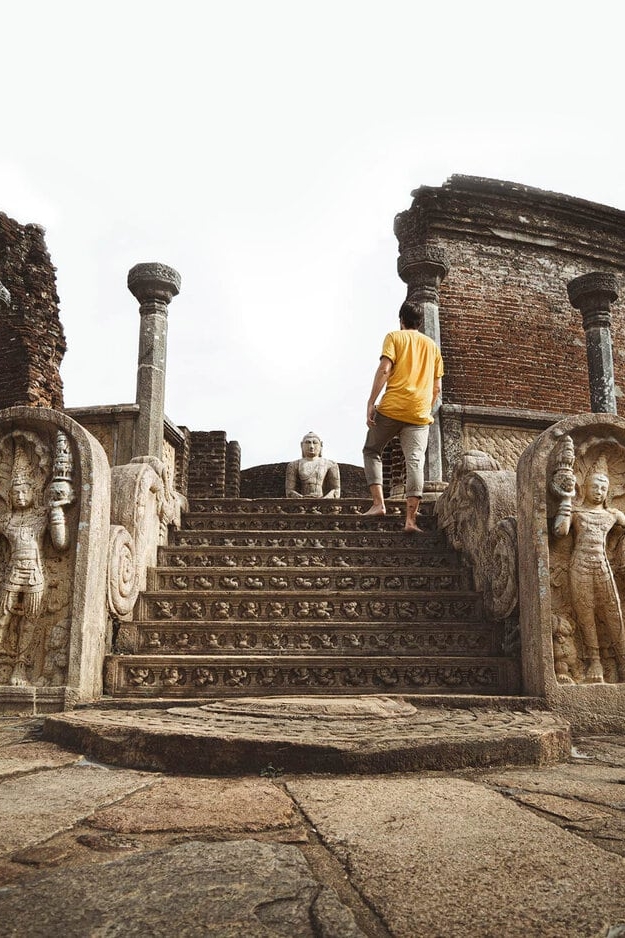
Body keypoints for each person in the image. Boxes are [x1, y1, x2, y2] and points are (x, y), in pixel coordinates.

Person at [362, 302, 444, 532]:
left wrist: (371, 401)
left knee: (372, 450)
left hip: (392, 408)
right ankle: (410, 520)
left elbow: (385, 369)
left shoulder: (394, 337)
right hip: (419, 413)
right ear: (420, 323)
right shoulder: (432, 347)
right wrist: (423, 409)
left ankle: (378, 504)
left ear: (401, 320)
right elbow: (437, 388)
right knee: (415, 462)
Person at [553, 458, 625, 684]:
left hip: (602, 565)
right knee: (585, 613)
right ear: (585, 488)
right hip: (580, 566)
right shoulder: (577, 512)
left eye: (603, 488)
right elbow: (559, 531)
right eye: (595, 487)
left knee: (613, 612)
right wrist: (565, 499)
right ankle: (594, 660)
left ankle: (622, 659)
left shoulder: (612, 514)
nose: (599, 491)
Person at [286, 432, 341, 499]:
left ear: (321, 445)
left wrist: (325, 499)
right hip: (302, 502)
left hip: (322, 500)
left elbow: (336, 490)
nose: (311, 446)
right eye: (308, 442)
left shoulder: (330, 464)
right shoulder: (293, 465)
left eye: (315, 443)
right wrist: (301, 498)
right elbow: (289, 491)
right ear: (301, 445)